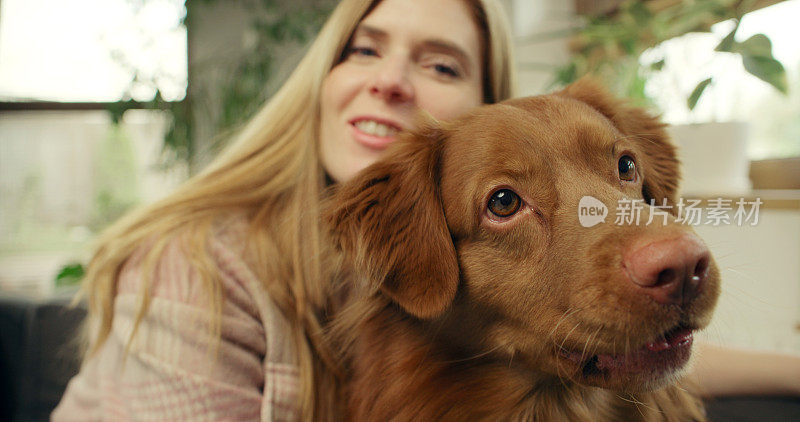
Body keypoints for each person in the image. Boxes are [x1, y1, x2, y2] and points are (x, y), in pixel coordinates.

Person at [53, 0, 799, 420]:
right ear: (321, 79)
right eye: (364, 50)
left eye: (441, 63)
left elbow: (622, 339)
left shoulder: (502, 286)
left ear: (485, 105)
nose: (391, 82)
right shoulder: (196, 271)